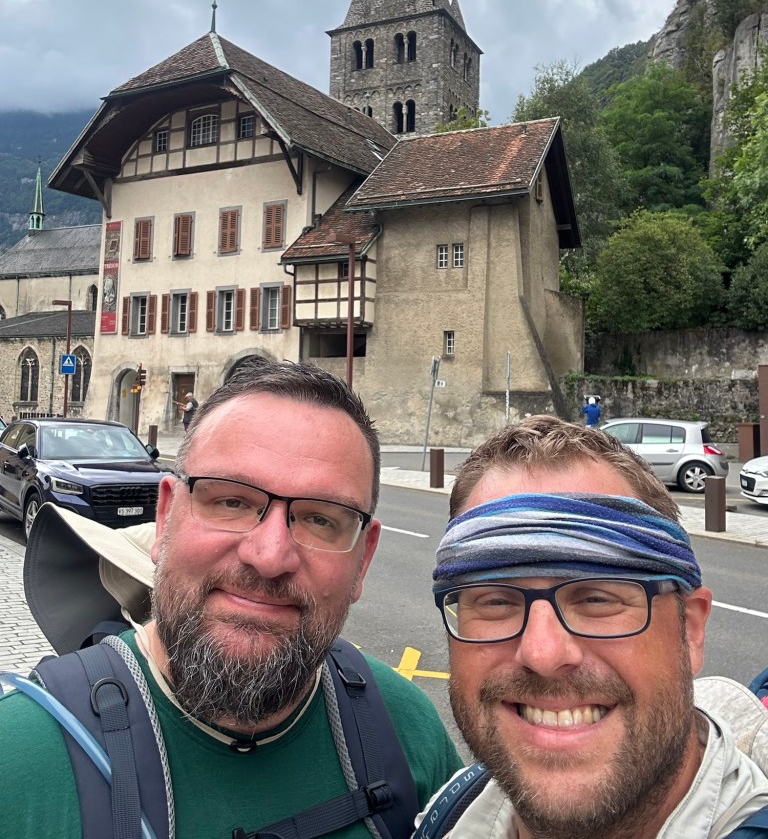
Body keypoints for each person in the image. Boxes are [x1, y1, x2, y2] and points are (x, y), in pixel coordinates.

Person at [0, 359, 462, 839]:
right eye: (231, 501)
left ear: (363, 560)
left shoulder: (409, 732)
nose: (269, 556)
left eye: (321, 519)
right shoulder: (18, 759)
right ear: (165, 517)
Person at [428, 415, 768, 839]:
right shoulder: (447, 814)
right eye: (495, 602)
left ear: (691, 630)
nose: (543, 654)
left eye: (597, 599)